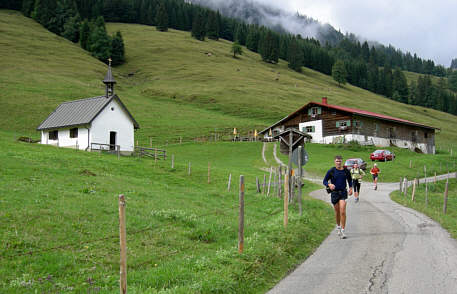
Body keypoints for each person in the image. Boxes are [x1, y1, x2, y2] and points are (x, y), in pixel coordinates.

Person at [323, 155, 353, 239]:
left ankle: (343, 231)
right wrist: (329, 184)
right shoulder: (331, 171)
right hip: (334, 193)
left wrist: (351, 188)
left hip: (343, 192)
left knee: (342, 211)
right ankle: (338, 227)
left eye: (340, 161)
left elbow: (350, 180)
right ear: (334, 162)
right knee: (337, 212)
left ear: (342, 162)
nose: (338, 163)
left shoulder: (346, 171)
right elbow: (324, 181)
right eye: (337, 161)